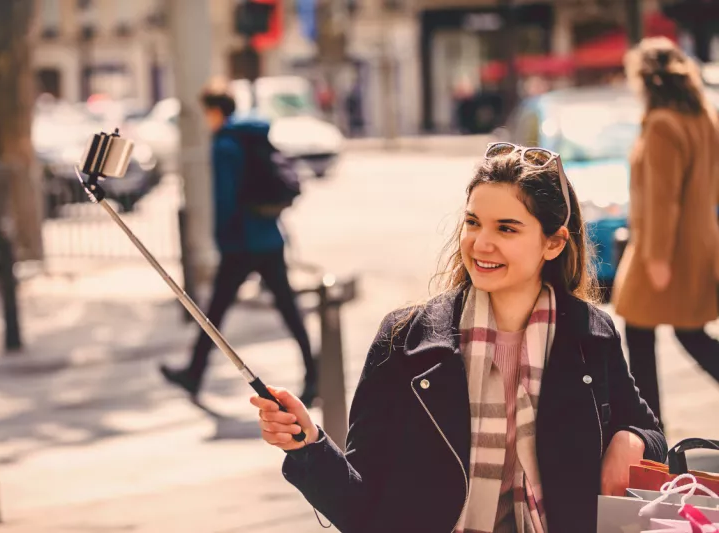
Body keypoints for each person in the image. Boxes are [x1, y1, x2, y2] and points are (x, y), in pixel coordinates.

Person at [250, 143, 666, 533]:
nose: (481, 243)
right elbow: (363, 508)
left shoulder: (590, 334)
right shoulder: (404, 339)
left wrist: (631, 440)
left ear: (553, 243)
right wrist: (309, 446)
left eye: (507, 229)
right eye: (473, 222)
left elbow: (651, 435)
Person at [160, 77, 318, 406]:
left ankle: (193, 372)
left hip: (240, 243)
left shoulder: (224, 145)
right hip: (269, 239)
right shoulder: (253, 137)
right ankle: (313, 373)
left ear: (215, 111)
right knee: (288, 310)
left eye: (207, 113)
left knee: (214, 313)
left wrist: (221, 240)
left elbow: (225, 200)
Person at [612, 37, 719, 426]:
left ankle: (648, 428)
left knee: (641, 334)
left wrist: (656, 258)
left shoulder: (662, 125)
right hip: (700, 242)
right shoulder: (704, 117)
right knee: (689, 332)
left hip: (666, 248)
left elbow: (662, 200)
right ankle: (649, 425)